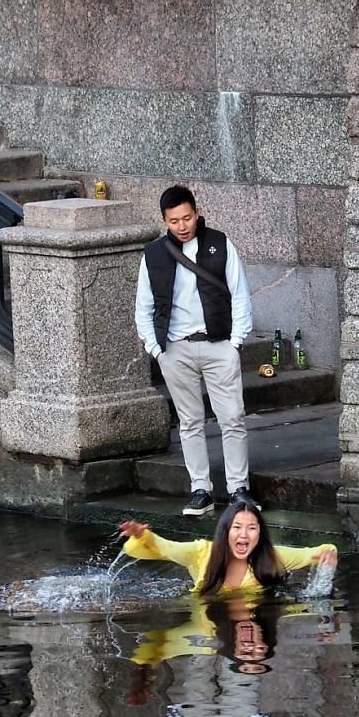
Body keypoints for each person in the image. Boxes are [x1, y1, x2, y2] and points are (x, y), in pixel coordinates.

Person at [135, 184, 255, 517]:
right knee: (189, 422)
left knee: (232, 418)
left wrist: (235, 342)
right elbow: (143, 307)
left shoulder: (220, 243)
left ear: (197, 213)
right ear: (164, 220)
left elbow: (240, 294)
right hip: (175, 349)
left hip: (219, 344)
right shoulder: (153, 254)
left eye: (187, 218)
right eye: (174, 221)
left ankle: (239, 489)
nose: (182, 226)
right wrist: (156, 349)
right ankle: (200, 490)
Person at [119, 501, 337, 596]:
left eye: (252, 528)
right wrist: (141, 534)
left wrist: (328, 561)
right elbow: (166, 547)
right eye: (237, 527)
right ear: (225, 531)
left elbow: (325, 550)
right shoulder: (200, 553)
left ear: (260, 534)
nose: (244, 535)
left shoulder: (272, 556)